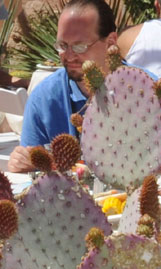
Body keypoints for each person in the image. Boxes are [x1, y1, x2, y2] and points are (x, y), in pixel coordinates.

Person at [7, 0, 117, 173]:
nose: (70, 56)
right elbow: (31, 176)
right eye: (62, 46)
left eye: (80, 46)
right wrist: (23, 163)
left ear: (111, 42)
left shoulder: (144, 91)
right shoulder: (44, 98)